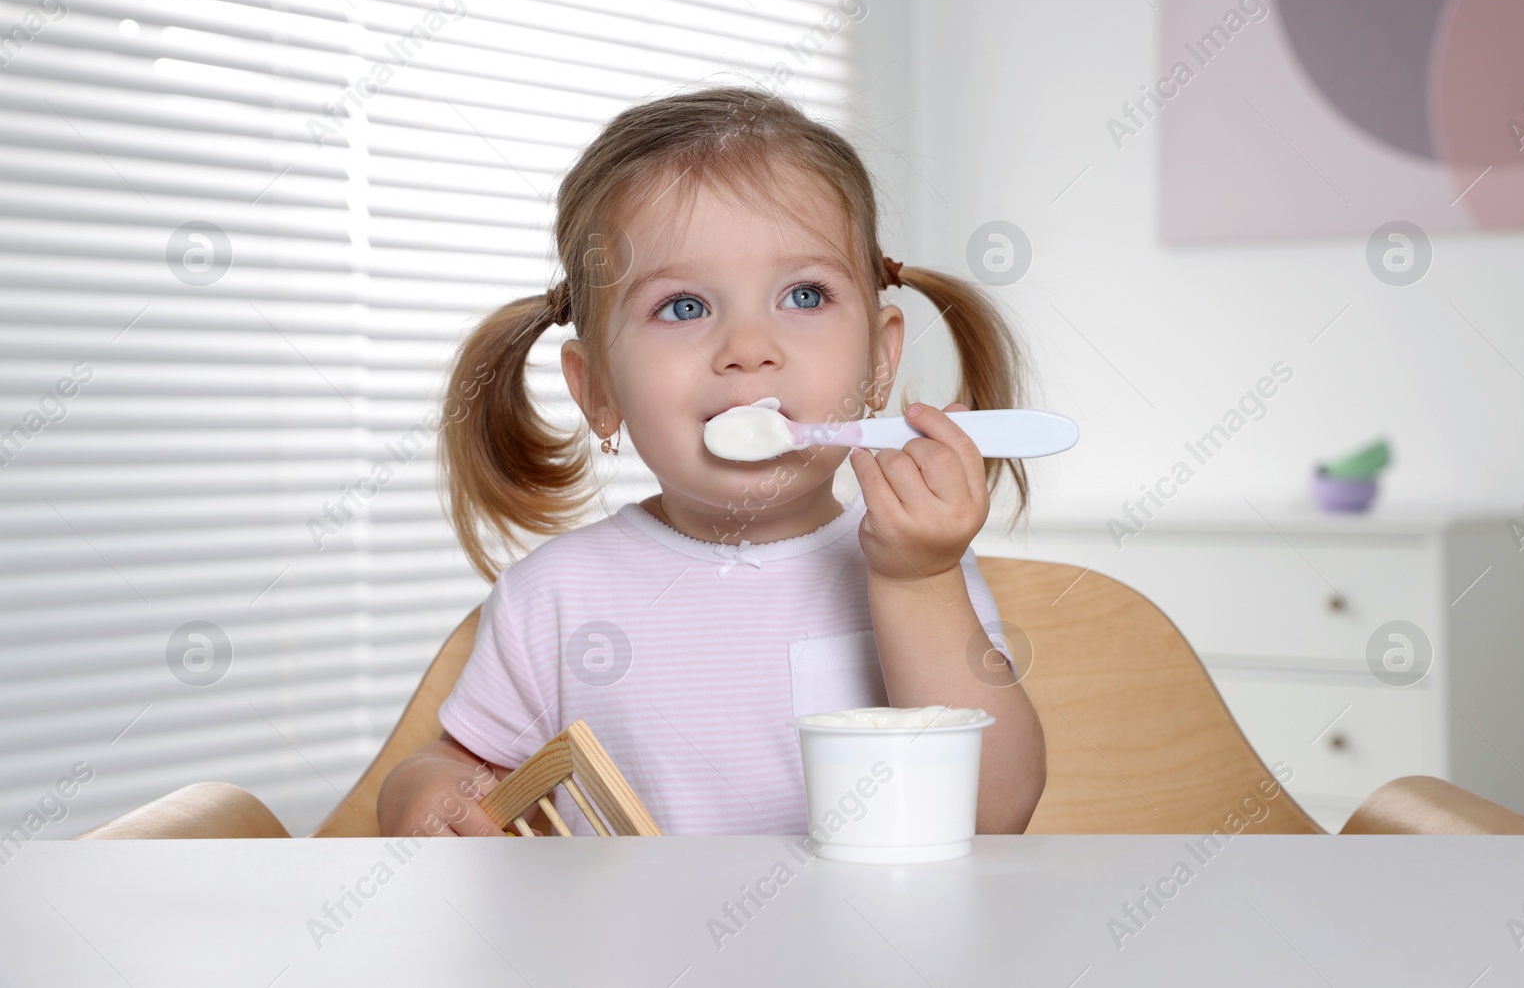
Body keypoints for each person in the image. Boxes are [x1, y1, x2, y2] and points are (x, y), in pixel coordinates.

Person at [376, 85, 1046, 837]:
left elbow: (994, 812)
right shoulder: (557, 598)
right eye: (685, 307)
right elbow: (461, 768)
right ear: (599, 391)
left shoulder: (916, 567)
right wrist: (424, 795)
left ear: (880, 362)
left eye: (803, 293)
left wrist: (919, 582)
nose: (749, 347)